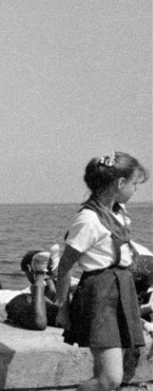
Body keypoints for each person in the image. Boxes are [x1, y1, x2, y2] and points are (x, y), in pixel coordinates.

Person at [55, 152, 148, 391]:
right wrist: (63, 309)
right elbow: (65, 267)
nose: (136, 190)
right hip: (100, 294)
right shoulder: (88, 220)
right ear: (119, 184)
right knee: (111, 379)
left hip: (120, 289)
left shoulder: (118, 213)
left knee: (104, 371)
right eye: (134, 184)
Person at [0, 250, 58, 330]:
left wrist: (40, 278)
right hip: (20, 298)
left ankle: (39, 274)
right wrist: (49, 278)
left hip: (11, 300)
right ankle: (43, 273)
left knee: (38, 322)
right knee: (62, 318)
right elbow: (52, 292)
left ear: (29, 268)